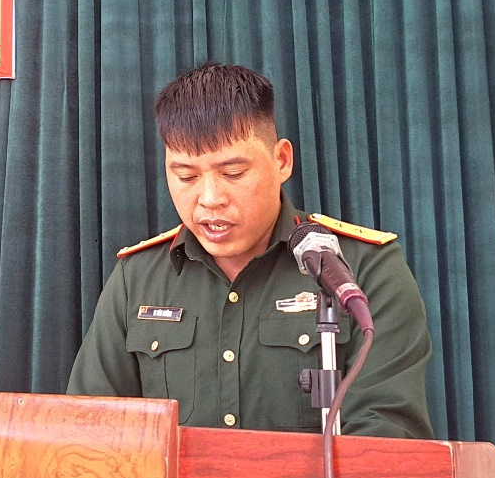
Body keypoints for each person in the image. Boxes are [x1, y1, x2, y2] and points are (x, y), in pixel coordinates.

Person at [67, 62, 433, 438]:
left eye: (233, 173)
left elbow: (387, 435)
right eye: (186, 176)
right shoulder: (137, 279)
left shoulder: (361, 269)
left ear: (282, 160)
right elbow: (89, 431)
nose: (210, 199)